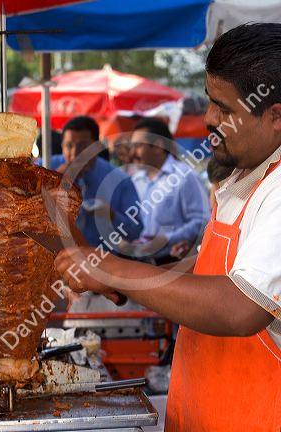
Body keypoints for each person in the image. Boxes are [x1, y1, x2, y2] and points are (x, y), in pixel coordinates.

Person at [55, 24, 281, 431]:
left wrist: (113, 269)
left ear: (276, 116)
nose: (209, 118)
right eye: (210, 101)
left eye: (224, 109)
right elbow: (212, 268)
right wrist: (126, 278)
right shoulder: (245, 175)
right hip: (204, 410)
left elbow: (239, 308)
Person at [50, 116, 143, 247]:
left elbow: (136, 230)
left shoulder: (119, 180)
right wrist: (54, 180)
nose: (75, 153)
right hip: (56, 257)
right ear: (62, 146)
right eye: (69, 146)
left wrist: (111, 215)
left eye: (83, 146)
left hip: (100, 258)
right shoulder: (47, 167)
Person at [127, 118, 210, 264]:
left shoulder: (184, 176)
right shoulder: (137, 179)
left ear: (158, 147)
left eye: (138, 146)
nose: (132, 153)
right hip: (141, 263)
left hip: (173, 263)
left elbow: (202, 221)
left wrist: (167, 239)